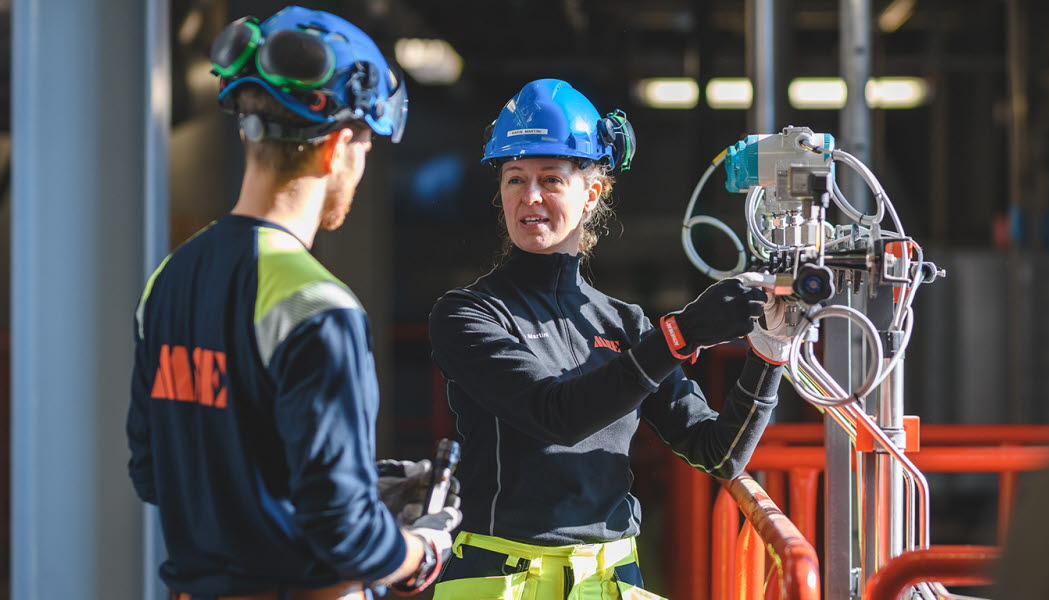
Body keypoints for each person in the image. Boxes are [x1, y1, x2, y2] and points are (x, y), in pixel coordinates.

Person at [126, 7, 458, 599]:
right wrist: (422, 550)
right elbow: (347, 537)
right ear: (337, 148)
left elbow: (157, 473)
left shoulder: (169, 280)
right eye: (365, 148)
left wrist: (354, 482)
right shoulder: (316, 305)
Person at [426, 79, 798, 599]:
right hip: (500, 579)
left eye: (551, 179)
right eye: (515, 179)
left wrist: (770, 348)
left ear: (592, 193)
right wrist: (681, 334)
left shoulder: (624, 324)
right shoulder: (469, 314)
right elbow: (556, 415)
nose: (529, 197)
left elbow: (718, 453)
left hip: (612, 580)